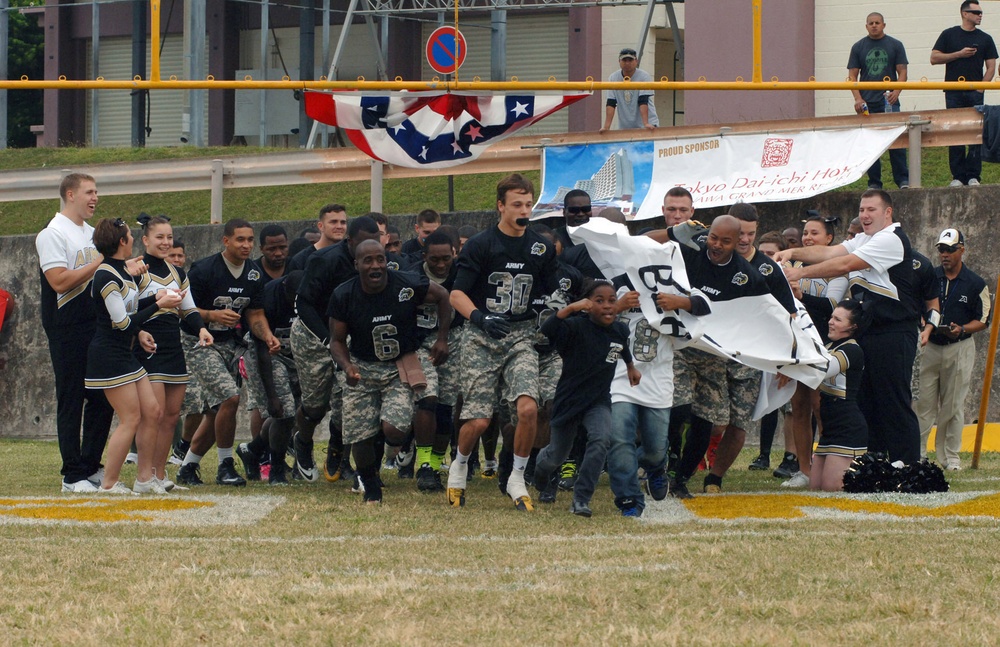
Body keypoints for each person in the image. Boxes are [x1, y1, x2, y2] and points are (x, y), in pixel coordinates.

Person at [777, 189, 926, 464]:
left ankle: (907, 465)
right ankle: (876, 463)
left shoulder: (890, 239)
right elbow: (829, 251)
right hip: (868, 330)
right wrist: (792, 251)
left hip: (894, 331)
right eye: (861, 210)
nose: (865, 215)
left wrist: (800, 271)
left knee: (894, 401)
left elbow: (844, 263)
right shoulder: (864, 238)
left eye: (871, 209)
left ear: (887, 212)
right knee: (867, 400)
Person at [445, 173, 560, 511]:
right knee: (479, 420)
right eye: (516, 204)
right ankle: (460, 465)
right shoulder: (482, 244)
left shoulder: (539, 246)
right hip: (482, 337)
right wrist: (480, 317)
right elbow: (456, 294)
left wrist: (557, 303)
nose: (523, 210)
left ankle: (517, 476)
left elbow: (554, 289)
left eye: (528, 204)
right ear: (500, 206)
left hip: (520, 335)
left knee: (528, 409)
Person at [646, 215, 780, 497]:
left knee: (707, 418)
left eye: (725, 241)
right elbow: (643, 242)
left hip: (713, 353)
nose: (716, 245)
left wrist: (783, 353)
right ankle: (660, 466)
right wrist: (672, 232)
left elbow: (770, 312)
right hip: (679, 345)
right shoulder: (691, 246)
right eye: (713, 238)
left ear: (738, 242)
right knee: (678, 406)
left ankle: (680, 477)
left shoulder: (747, 276)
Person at [328, 240, 451, 503]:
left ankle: (391, 447)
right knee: (359, 435)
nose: (375, 266)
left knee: (395, 430)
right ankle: (370, 484)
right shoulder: (344, 294)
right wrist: (347, 366)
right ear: (356, 264)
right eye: (368, 260)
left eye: (380, 259)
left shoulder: (405, 284)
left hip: (398, 365)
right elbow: (336, 341)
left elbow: (442, 295)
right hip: (362, 366)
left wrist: (442, 338)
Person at [176, 219, 279, 486]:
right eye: (240, 239)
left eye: (249, 240)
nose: (246, 245)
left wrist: (267, 336)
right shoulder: (204, 269)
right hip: (199, 342)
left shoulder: (254, 273)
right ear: (226, 241)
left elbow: (255, 314)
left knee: (217, 412)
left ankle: (187, 468)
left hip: (230, 345)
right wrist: (211, 314)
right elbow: (181, 308)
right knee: (230, 398)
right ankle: (225, 466)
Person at [85, 218, 182, 494]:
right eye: (129, 236)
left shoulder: (122, 271)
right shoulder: (105, 275)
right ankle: (109, 483)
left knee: (152, 411)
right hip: (109, 357)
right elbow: (123, 323)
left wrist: (156, 297)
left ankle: (144, 479)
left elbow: (133, 305)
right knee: (131, 418)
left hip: (124, 355)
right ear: (122, 242)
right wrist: (159, 305)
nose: (132, 240)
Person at [36, 173, 119, 493]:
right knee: (71, 397)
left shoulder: (92, 233)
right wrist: (101, 261)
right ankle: (71, 474)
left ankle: (89, 466)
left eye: (97, 191)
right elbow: (59, 281)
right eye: (89, 192)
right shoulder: (52, 233)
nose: (95, 197)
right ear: (70, 194)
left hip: (95, 323)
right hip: (66, 326)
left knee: (102, 396)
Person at [532, 281, 639, 517]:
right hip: (569, 401)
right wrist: (570, 308)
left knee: (601, 440)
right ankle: (540, 470)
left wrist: (631, 366)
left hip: (598, 401)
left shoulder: (620, 330)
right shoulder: (574, 327)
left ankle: (581, 498)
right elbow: (548, 329)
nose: (608, 305)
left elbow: (621, 347)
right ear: (587, 305)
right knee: (556, 456)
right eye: (599, 300)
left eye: (612, 300)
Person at [290, 216, 381, 483]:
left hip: (350, 339)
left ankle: (338, 450)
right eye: (364, 244)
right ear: (350, 242)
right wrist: (326, 339)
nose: (371, 252)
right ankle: (303, 442)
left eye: (376, 244)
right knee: (315, 406)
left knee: (348, 402)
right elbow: (303, 304)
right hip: (313, 336)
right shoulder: (325, 260)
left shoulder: (379, 262)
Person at [134, 214, 213, 490]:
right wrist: (156, 302)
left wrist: (201, 329)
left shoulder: (178, 272)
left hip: (173, 346)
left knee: (170, 416)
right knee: (152, 414)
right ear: (145, 240)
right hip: (149, 346)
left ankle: (159, 475)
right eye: (159, 237)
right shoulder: (137, 271)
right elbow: (126, 310)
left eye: (169, 237)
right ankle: (143, 477)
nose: (165, 242)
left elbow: (188, 309)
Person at [783, 211, 849, 487]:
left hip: (825, 347)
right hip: (799, 346)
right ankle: (804, 469)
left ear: (829, 239)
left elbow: (831, 307)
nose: (808, 238)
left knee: (822, 407)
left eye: (815, 233)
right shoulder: (792, 264)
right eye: (806, 233)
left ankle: (826, 465)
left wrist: (801, 296)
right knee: (799, 407)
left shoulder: (838, 265)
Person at [916, 228, 991, 470]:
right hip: (931, 345)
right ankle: (919, 453)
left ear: (962, 250)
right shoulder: (931, 276)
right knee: (924, 403)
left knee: (954, 405)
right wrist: (924, 323)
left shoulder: (976, 283)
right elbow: (920, 306)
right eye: (941, 250)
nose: (944, 254)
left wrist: (962, 329)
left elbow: (983, 319)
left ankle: (950, 456)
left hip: (959, 347)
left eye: (949, 249)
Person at [238, 270, 305, 485]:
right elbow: (261, 348)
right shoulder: (268, 298)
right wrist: (272, 395)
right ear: (285, 288)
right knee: (282, 410)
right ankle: (276, 469)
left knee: (291, 414)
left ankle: (252, 449)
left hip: (295, 355)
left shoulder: (312, 295)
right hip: (267, 355)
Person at [931, 1, 998, 186]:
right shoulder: (949, 34)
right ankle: (958, 176)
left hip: (975, 92)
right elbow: (934, 58)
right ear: (964, 13)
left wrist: (982, 86)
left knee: (975, 133)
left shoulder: (985, 38)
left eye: (981, 12)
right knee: (954, 132)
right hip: (953, 91)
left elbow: (991, 66)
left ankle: (973, 175)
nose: (980, 15)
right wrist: (958, 54)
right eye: (976, 12)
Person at [848, 12, 910, 190]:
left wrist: (896, 92)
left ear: (884, 25)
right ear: (866, 26)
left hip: (889, 102)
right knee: (870, 144)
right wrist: (858, 99)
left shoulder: (895, 45)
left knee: (896, 142)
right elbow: (852, 75)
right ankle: (874, 183)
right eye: (871, 23)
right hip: (868, 102)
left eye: (877, 23)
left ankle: (903, 180)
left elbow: (902, 72)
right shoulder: (858, 47)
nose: (874, 25)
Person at [812, 299, 868, 492]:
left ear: (852, 326)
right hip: (829, 428)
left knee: (832, 488)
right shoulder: (828, 347)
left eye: (837, 319)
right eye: (831, 317)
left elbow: (824, 369)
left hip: (847, 428)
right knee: (816, 487)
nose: (830, 321)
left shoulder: (852, 349)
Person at [601, 47, 658, 132]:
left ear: (636, 61)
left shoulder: (643, 76)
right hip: (625, 127)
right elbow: (611, 103)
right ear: (619, 61)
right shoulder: (613, 78)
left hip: (648, 125)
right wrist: (606, 127)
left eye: (630, 60)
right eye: (624, 60)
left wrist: (646, 123)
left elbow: (643, 101)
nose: (627, 63)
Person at [287, 204, 348, 271]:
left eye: (343, 222)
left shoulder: (351, 255)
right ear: (320, 226)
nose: (339, 226)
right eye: (333, 222)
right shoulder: (301, 260)